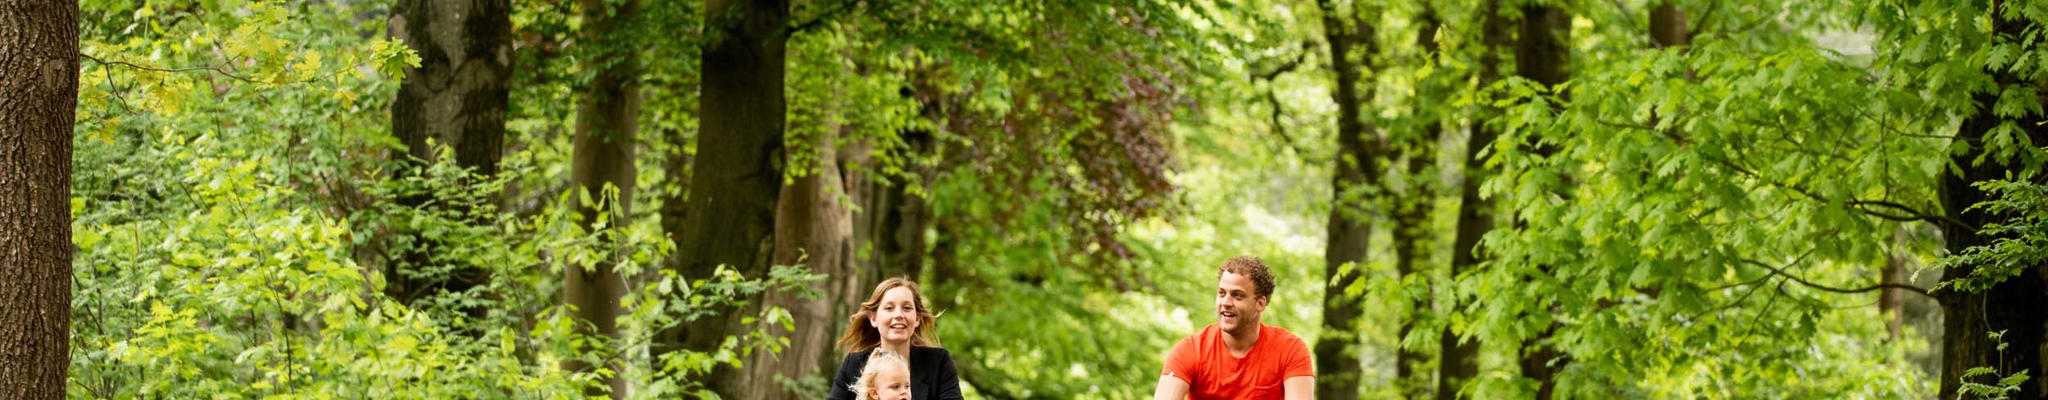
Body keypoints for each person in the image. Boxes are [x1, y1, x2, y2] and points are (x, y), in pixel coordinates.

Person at [1152, 256, 1316, 400]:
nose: (1226, 303)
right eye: (1222, 293)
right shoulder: (1190, 350)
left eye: (1237, 295)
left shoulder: (1290, 350)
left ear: (1260, 303)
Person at [828, 278, 963, 400]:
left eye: (907, 308)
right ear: (873, 318)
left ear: (917, 319)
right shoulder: (853, 365)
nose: (899, 314)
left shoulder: (938, 363)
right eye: (889, 308)